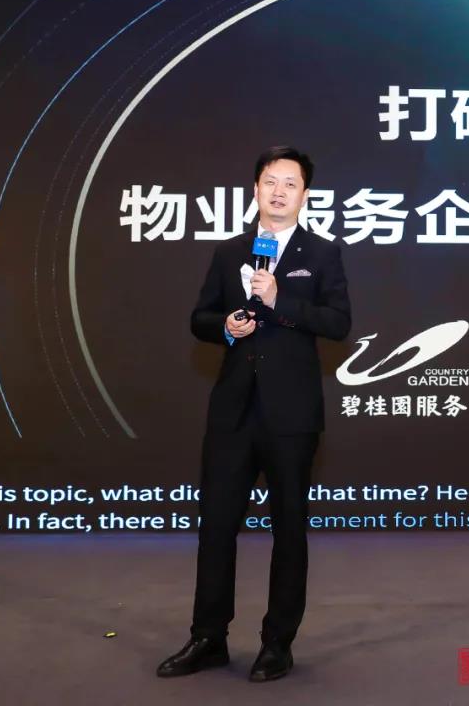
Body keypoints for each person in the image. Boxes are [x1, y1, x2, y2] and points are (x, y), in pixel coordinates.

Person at [157, 146, 351, 682]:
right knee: (217, 526)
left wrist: (279, 300)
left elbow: (338, 323)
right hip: (233, 411)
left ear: (305, 195)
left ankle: (277, 643)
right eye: (271, 181)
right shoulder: (231, 252)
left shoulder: (323, 253)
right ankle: (208, 637)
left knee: (288, 529)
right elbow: (200, 318)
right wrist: (226, 326)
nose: (279, 191)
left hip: (292, 414)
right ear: (256, 189)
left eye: (290, 183)